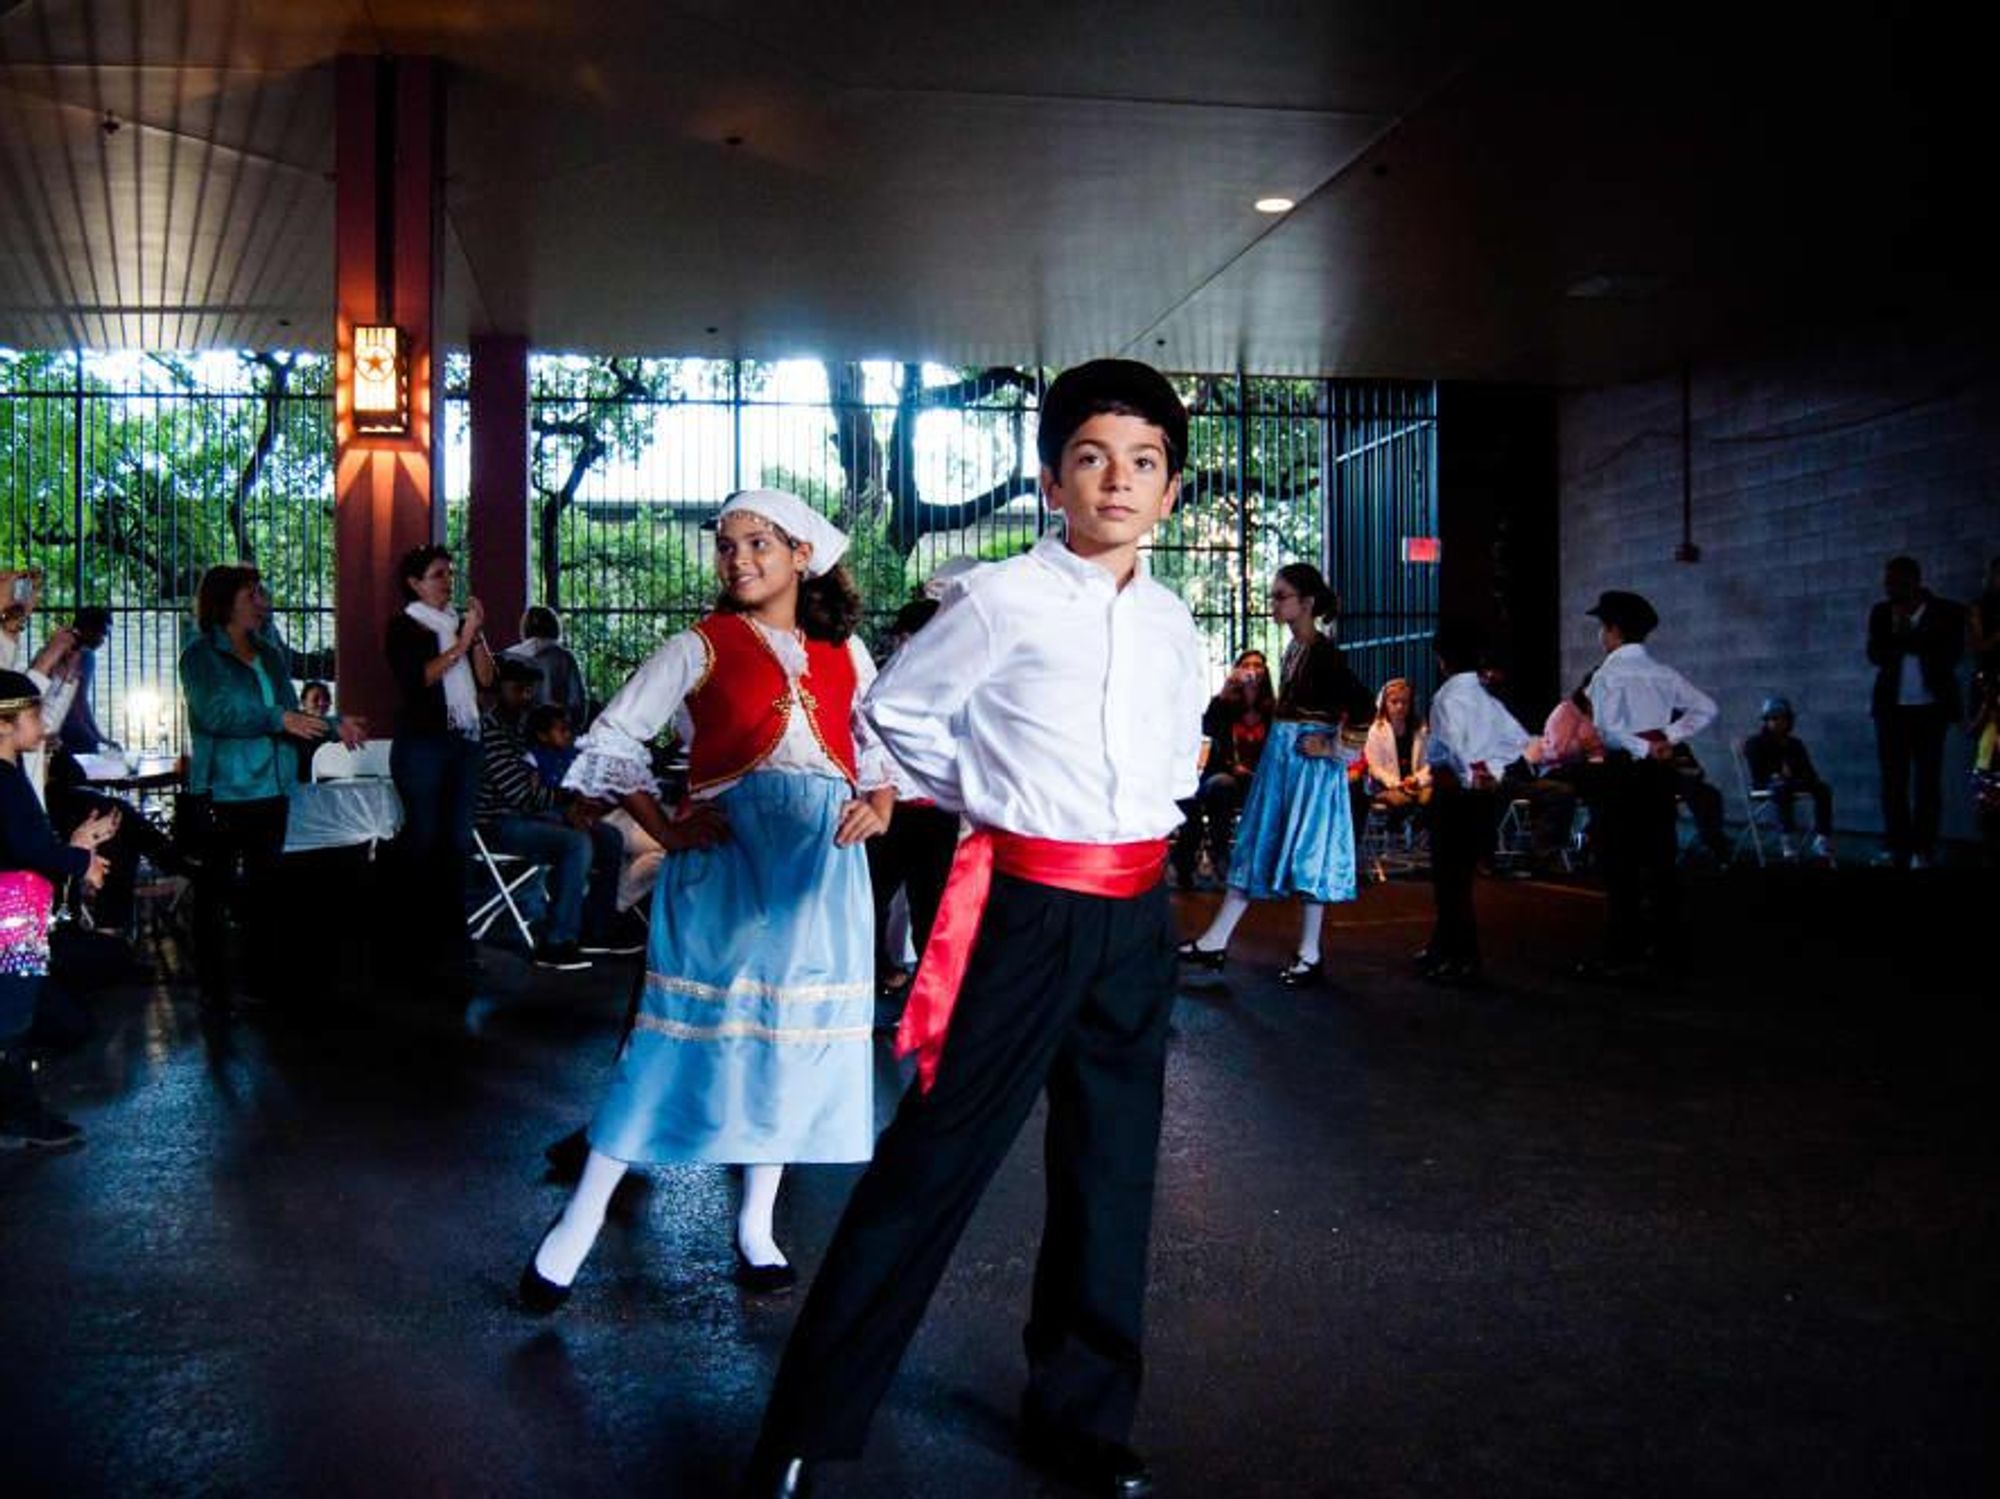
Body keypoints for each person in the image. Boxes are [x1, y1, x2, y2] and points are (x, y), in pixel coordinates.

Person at [745, 360, 1205, 1499]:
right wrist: (992, 793)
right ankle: (808, 1421)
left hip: (1136, 916)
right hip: (1022, 909)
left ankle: (1081, 1417)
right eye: (1091, 457)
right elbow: (889, 712)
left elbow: (1177, 744)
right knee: (932, 1161)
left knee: (1111, 1173)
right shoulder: (998, 596)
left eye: (1142, 462)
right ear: (1052, 477)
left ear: (1170, 489)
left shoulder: (1173, 619)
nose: (1116, 481)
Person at [520, 487, 899, 1312]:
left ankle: (757, 1225)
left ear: (802, 554)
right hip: (732, 862)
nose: (739, 559)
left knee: (787, 1041)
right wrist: (668, 823)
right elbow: (616, 737)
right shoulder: (700, 646)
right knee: (670, 1040)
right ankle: (575, 1227)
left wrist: (881, 802)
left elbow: (878, 745)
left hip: (822, 869)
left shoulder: (847, 652)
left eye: (759, 542)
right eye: (727, 546)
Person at [1179, 561, 1372, 986]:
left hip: (1308, 770)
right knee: (1259, 843)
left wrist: (1332, 746)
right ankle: (1223, 940)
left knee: (1304, 854)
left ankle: (1306, 952)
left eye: (1281, 596)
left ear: (1306, 603)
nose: (1273, 603)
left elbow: (1363, 706)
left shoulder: (1322, 653)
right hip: (1286, 765)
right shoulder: (1296, 649)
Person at [180, 565, 359, 1013]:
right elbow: (215, 712)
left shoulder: (270, 655)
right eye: (253, 591)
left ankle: (263, 978)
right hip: (223, 790)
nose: (263, 598)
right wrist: (277, 719)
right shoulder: (201, 655)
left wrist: (336, 728)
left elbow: (290, 716)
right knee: (216, 891)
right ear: (228, 600)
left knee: (266, 889)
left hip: (271, 788)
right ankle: (214, 986)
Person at [0, 669, 116, 1150]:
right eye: (32, 713)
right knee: (12, 1020)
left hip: (16, 916)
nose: (43, 722)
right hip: (11, 923)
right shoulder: (4, 782)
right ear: (3, 725)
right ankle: (18, 1117)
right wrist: (81, 859)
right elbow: (27, 847)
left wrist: (76, 847)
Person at [1578, 589, 1716, 979]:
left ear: (1614, 630)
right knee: (1660, 859)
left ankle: (1623, 950)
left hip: (1622, 773)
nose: (1600, 636)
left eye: (1602, 627)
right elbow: (1707, 708)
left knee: (1620, 864)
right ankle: (1668, 948)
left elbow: (1607, 730)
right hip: (1658, 774)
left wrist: (1642, 744)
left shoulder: (1608, 674)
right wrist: (1666, 738)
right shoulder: (1663, 672)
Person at [475, 657, 632, 969]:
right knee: (576, 842)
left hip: (531, 813)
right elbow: (519, 793)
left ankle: (597, 930)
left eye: (530, 690)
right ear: (499, 689)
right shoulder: (490, 731)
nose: (527, 696)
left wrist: (565, 804)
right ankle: (558, 941)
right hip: (497, 823)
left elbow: (535, 789)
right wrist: (564, 801)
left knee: (609, 836)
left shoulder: (522, 730)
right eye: (519, 689)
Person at [385, 545, 495, 982]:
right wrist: (462, 642)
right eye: (437, 575)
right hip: (424, 744)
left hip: (463, 741)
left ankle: (455, 939)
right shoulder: (405, 626)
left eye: (450, 573)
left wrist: (478, 636)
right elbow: (419, 679)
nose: (447, 582)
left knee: (457, 842)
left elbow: (487, 681)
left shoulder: (455, 625)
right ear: (414, 583)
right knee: (424, 838)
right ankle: (414, 939)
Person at [1418, 623, 1537, 984]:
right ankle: (1443, 947)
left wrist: (1470, 773)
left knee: (1449, 882)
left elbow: (1452, 747)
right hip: (1482, 797)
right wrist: (1494, 770)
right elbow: (1518, 740)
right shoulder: (1489, 700)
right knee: (1462, 878)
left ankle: (1462, 957)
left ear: (1442, 660)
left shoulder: (1446, 698)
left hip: (1453, 794)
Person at [863, 596, 960, 1025]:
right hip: (888, 810)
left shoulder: (955, 686)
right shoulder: (880, 681)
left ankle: (932, 1001)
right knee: (871, 901)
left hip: (935, 813)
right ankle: (876, 978)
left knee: (931, 909)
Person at [1867, 556, 1965, 870]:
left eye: (1893, 582)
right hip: (1891, 710)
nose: (1888, 588)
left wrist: (1906, 638)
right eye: (1886, 582)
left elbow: (1949, 654)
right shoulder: (1882, 613)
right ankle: (1897, 846)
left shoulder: (1946, 612)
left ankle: (1923, 848)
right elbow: (1876, 654)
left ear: (1913, 581)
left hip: (1931, 710)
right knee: (1893, 782)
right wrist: (1905, 636)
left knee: (1927, 782)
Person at [1171, 650, 1272, 888]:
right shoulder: (1225, 705)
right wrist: (1227, 689)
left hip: (1258, 779)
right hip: (1223, 777)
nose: (1252, 670)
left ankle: (1267, 864)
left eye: (1258, 665)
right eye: (1246, 665)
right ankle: (1220, 855)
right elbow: (1207, 727)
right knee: (1222, 786)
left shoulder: (1271, 710)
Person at [1742, 696, 1835, 861]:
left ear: (1788, 720)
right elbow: (1758, 772)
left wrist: (1800, 777)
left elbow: (1809, 772)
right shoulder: (1756, 742)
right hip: (1767, 784)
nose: (1777, 722)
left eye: (1781, 718)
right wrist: (1777, 774)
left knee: (1822, 788)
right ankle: (1787, 837)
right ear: (1766, 721)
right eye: (1772, 718)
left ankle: (1822, 836)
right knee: (1781, 787)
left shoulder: (1795, 744)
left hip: (1794, 782)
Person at [502, 605, 590, 726]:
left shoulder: (508, 655)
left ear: (525, 627)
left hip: (516, 733)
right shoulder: (564, 658)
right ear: (555, 626)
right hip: (553, 733)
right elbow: (577, 703)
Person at [1363, 676, 1432, 819]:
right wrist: (1397, 783)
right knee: (1401, 802)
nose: (1400, 706)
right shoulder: (1376, 731)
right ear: (1385, 704)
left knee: (1431, 798)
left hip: (1416, 784)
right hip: (1387, 786)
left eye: (1404, 702)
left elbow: (1428, 763)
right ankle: (1399, 835)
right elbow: (1375, 768)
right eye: (1394, 702)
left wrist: (1416, 780)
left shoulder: (1421, 728)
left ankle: (1421, 837)